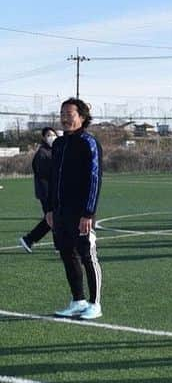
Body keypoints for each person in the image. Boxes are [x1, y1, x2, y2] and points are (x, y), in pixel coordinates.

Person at [47, 99, 104, 320]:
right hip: (60, 212)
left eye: (70, 113)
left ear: (82, 117)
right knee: (67, 254)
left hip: (81, 212)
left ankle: (95, 303)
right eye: (62, 113)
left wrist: (88, 212)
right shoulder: (59, 144)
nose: (65, 117)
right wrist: (51, 208)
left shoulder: (88, 142)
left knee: (88, 255)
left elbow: (94, 178)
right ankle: (78, 299)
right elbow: (54, 178)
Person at [18, 127, 57, 253]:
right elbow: (44, 177)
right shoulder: (42, 153)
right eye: (49, 135)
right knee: (51, 218)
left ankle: (30, 239)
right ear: (44, 137)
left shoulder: (51, 151)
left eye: (53, 134)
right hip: (46, 193)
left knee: (53, 218)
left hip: (51, 192)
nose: (52, 137)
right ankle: (29, 239)